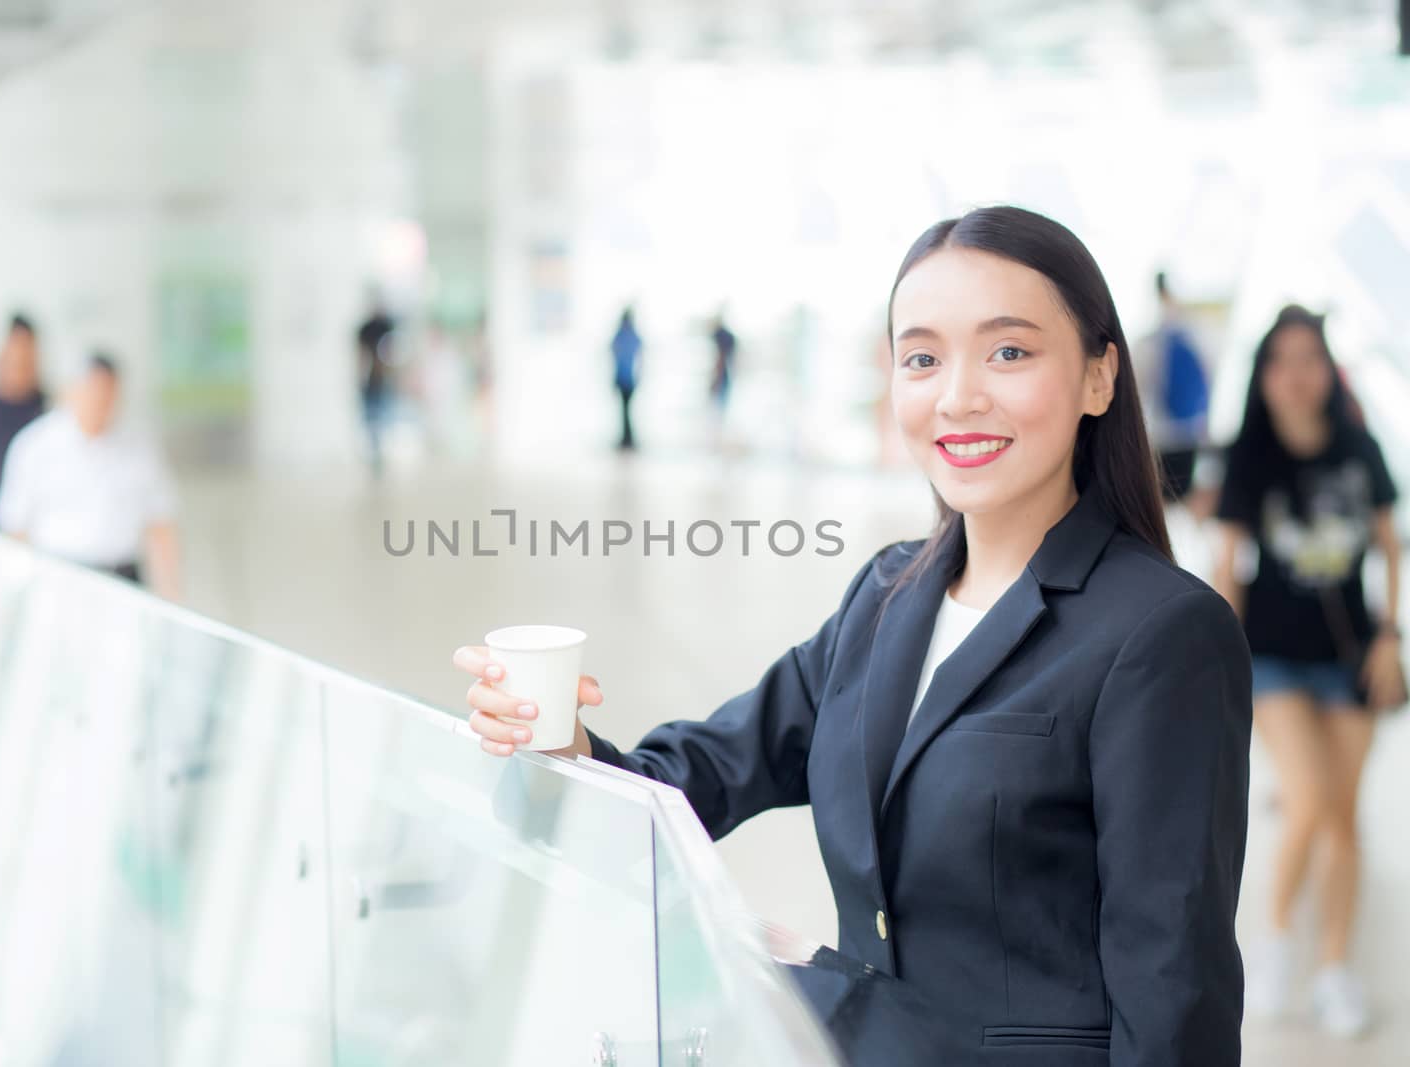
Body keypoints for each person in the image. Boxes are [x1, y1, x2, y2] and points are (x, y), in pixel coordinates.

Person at [455, 207, 1252, 1065]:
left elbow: (1174, 1000)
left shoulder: (1160, 633)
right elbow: (695, 778)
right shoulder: (886, 596)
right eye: (922, 357)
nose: (958, 395)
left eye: (1009, 351)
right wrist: (557, 744)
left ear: (1100, 377)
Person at [1212, 304, 1401, 1040]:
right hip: (1274, 656)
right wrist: (1217, 665)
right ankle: (1277, 942)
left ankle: (1333, 969)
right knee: (1311, 796)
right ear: (1263, 375)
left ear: (1330, 370)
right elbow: (1227, 570)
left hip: (1349, 656)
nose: (1296, 375)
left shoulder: (1359, 448)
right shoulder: (1250, 456)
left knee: (1343, 818)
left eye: (1309, 359)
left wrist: (1391, 635)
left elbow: (1390, 544)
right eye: (1280, 361)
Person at [0, 353, 181, 599]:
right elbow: (14, 525)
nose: (100, 404)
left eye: (108, 395)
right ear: (72, 392)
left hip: (122, 578)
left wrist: (172, 594)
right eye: (93, 393)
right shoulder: (35, 445)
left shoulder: (140, 447)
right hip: (59, 580)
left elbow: (161, 523)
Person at [1136, 272, 1211, 506]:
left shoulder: (1153, 339)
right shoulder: (1193, 332)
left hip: (1164, 433)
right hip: (1189, 430)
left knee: (1166, 499)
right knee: (1182, 496)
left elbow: (1142, 385)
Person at [0, 313, 47, 527]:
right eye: (16, 354)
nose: (21, 362)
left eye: (27, 354)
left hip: (42, 529)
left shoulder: (49, 412)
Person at [356, 296, 396, 479]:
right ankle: (374, 453)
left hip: (382, 382)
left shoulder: (387, 327)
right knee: (371, 420)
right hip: (369, 382)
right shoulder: (365, 330)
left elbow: (391, 353)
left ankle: (380, 453)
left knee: (382, 419)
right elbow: (360, 357)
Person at [611, 306, 642, 450]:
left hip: (623, 378)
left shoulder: (620, 334)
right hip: (630, 379)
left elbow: (614, 354)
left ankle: (627, 438)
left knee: (625, 410)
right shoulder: (633, 334)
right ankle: (628, 438)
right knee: (627, 410)